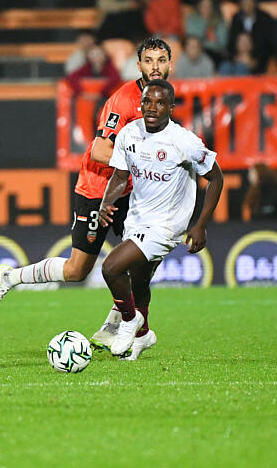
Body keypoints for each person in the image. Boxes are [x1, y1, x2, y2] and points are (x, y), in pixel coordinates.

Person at [0, 38, 174, 358]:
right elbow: (100, 150)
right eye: (149, 60)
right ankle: (8, 278)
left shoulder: (163, 98)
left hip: (130, 191)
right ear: (138, 65)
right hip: (98, 189)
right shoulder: (124, 99)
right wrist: (144, 163)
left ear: (171, 64)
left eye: (161, 60)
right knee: (76, 271)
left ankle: (122, 325)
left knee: (146, 256)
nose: (156, 66)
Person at [98, 78, 223, 357]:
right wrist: (107, 202)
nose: (152, 107)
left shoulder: (183, 141)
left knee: (111, 268)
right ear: (140, 104)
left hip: (166, 226)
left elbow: (216, 178)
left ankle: (130, 322)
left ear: (171, 107)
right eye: (147, 101)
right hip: (137, 219)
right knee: (139, 282)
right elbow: (120, 175)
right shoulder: (129, 133)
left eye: (160, 103)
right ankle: (143, 336)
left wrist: (200, 225)